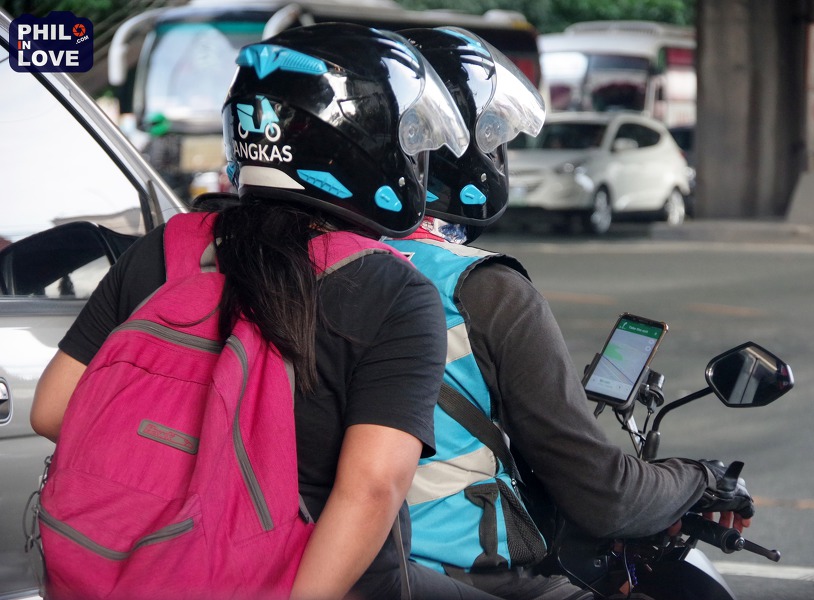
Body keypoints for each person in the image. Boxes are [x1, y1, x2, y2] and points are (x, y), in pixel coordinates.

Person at [31, 23, 497, 600]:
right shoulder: (395, 292)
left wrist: (179, 467)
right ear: (358, 144)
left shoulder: (166, 247)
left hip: (126, 572)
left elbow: (52, 409)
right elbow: (373, 489)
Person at [387, 27, 755, 599]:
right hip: (462, 573)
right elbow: (605, 495)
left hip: (343, 561)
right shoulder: (483, 288)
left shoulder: (317, 263)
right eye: (491, 135)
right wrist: (700, 478)